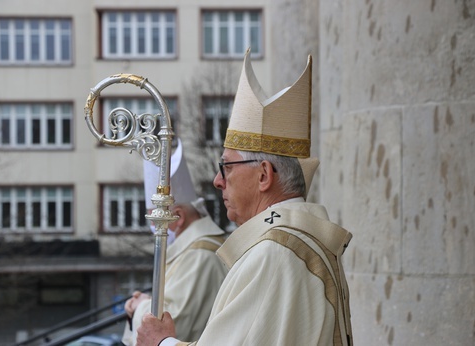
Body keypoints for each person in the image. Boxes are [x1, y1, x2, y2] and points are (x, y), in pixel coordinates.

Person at [137, 49, 354, 346]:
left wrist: (160, 342)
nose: (217, 181)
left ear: (264, 175)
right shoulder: (299, 239)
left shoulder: (274, 252)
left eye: (226, 167)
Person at [122, 140, 228, 346]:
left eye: (157, 220)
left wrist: (141, 306)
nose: (154, 227)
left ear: (178, 217)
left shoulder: (200, 255)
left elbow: (175, 325)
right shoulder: (189, 250)